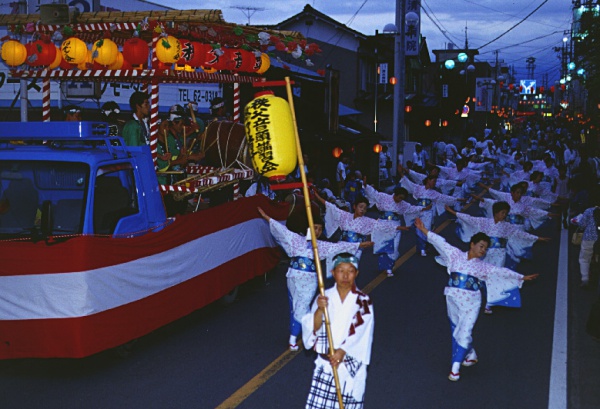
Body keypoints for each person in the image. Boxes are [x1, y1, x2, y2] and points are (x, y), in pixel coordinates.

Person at [414, 218, 538, 382]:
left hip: (471, 302)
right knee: (457, 330)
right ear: (472, 244)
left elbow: (501, 271)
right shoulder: (455, 255)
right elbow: (441, 243)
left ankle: (455, 368)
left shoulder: (483, 267)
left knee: (464, 333)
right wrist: (424, 230)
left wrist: (521, 277)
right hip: (452, 298)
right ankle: (470, 354)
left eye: (486, 248)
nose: (483, 250)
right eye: (481, 246)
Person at [258, 208, 372, 352]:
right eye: (315, 228)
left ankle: (294, 337)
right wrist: (266, 216)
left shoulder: (321, 246)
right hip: (293, 276)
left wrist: (359, 245)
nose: (317, 231)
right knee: (294, 305)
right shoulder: (295, 239)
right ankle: (302, 329)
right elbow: (281, 230)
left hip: (309, 280)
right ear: (308, 228)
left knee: (302, 305)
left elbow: (338, 247)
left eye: (320, 229)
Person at [445, 202, 547, 313]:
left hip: (499, 255)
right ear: (496, 213)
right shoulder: (484, 222)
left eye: (506, 213)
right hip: (484, 253)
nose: (504, 215)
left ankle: (489, 304)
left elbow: (521, 234)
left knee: (494, 276)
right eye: (503, 213)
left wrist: (538, 238)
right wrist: (453, 212)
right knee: (480, 275)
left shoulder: (507, 227)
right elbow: (470, 219)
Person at [302, 252, 374, 408]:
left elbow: (361, 331)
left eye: (350, 271)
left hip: (348, 366)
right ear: (333, 273)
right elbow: (312, 328)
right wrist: (320, 310)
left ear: (356, 274)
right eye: (341, 270)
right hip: (326, 365)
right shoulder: (324, 297)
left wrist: (342, 351)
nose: (346, 275)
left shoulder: (363, 301)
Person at [363, 184, 423, 276]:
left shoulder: (403, 204)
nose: (399, 200)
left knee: (394, 246)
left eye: (402, 199)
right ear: (395, 194)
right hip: (382, 223)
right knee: (383, 245)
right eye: (399, 197)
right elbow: (374, 193)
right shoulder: (384, 197)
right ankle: (388, 268)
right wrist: (366, 185)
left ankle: (389, 265)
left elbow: (411, 209)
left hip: (395, 224)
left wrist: (422, 208)